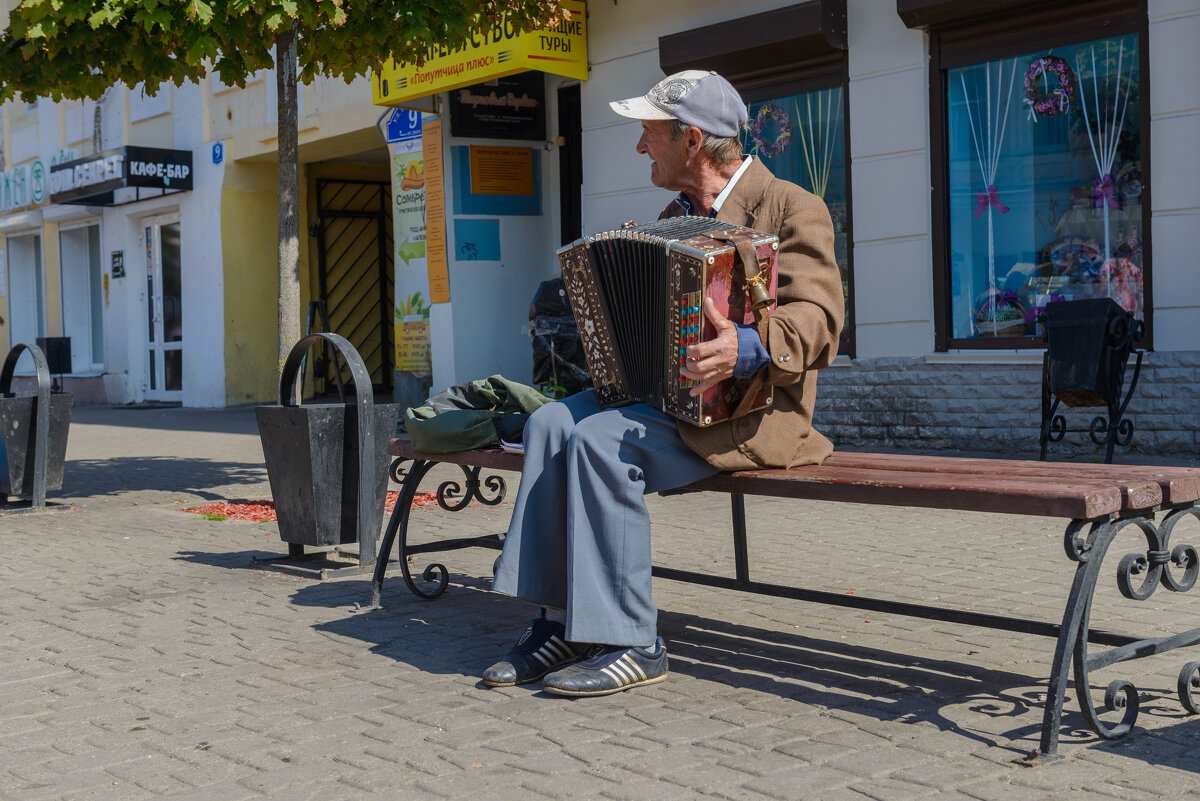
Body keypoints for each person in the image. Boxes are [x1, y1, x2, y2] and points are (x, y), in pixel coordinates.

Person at [485, 70, 844, 697]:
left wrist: (747, 347)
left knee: (600, 441)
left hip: (753, 411)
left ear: (693, 141)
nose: (640, 146)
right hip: (668, 399)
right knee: (548, 423)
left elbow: (821, 323)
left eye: (649, 133)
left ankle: (632, 640)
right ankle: (563, 622)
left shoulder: (790, 207)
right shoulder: (672, 217)